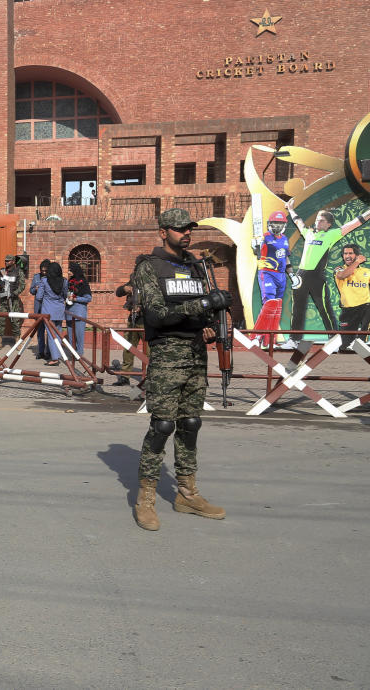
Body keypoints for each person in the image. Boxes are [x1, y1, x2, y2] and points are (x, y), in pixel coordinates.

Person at [131, 207, 231, 532]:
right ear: (163, 232)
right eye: (178, 229)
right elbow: (158, 314)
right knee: (161, 425)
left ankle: (187, 493)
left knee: (191, 422)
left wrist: (210, 324)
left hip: (196, 353)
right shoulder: (149, 267)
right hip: (167, 353)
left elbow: (201, 312)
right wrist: (202, 305)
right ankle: (145, 498)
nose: (185, 233)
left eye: (188, 228)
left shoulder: (195, 266)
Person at [285, 200, 370, 347]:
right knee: (297, 308)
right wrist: (290, 209)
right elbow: (298, 221)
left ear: (329, 224)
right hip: (301, 275)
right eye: (317, 219)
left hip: (317, 277)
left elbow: (355, 223)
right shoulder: (308, 232)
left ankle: (334, 339)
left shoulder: (332, 234)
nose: (318, 222)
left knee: (324, 308)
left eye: (321, 221)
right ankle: (294, 339)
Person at [248, 210, 292, 346]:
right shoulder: (264, 237)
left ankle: (269, 339)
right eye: (274, 223)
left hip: (281, 275)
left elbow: (286, 257)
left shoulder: (284, 239)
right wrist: (256, 245)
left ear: (284, 225)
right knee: (269, 303)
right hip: (267, 273)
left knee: (277, 305)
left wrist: (291, 274)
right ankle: (256, 336)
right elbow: (258, 249)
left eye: (280, 223)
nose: (277, 226)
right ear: (269, 224)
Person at [113, 255, 150, 386]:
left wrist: (142, 308)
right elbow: (118, 292)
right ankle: (125, 376)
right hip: (133, 320)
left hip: (147, 321)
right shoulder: (134, 278)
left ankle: (150, 377)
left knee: (149, 351)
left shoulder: (153, 280)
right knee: (128, 348)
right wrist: (125, 289)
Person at [30, 260, 67, 365]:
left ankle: (54, 358)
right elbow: (65, 295)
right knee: (58, 333)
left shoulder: (44, 281)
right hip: (60, 309)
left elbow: (39, 297)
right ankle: (57, 355)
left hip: (48, 310)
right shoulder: (64, 281)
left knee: (51, 335)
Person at [333, 244, 370, 349]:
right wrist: (357, 262)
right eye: (345, 253)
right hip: (348, 309)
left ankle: (361, 342)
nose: (347, 256)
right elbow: (343, 275)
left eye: (350, 253)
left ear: (357, 255)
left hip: (365, 307)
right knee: (345, 347)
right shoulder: (339, 269)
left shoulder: (366, 272)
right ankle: (353, 345)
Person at [0, 254, 25, 345]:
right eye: (5, 260)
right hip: (2, 301)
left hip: (13, 301)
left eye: (8, 261)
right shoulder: (1, 271)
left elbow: (22, 285)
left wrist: (15, 293)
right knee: (0, 321)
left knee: (15, 321)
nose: (6, 262)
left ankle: (18, 341)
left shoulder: (18, 272)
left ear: (13, 262)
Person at [66, 263, 93, 356]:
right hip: (69, 312)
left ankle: (79, 355)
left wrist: (75, 299)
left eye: (70, 270)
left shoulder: (83, 283)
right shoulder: (69, 282)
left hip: (79, 313)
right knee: (70, 336)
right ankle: (72, 354)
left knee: (79, 336)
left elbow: (88, 298)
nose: (68, 272)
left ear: (75, 271)